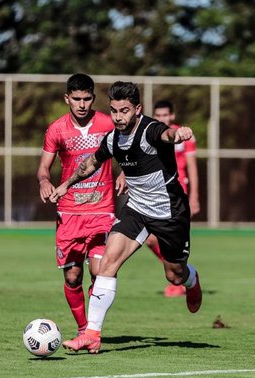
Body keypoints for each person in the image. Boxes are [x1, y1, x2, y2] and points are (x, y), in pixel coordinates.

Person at [50, 81, 203, 354]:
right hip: (136, 210)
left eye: (124, 111)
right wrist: (66, 184)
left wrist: (179, 135)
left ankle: (191, 279)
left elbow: (167, 134)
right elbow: (90, 164)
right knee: (108, 261)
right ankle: (92, 334)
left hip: (169, 213)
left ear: (138, 109)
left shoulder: (151, 130)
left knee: (174, 275)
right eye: (114, 111)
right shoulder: (112, 139)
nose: (119, 117)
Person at [36, 73, 126, 337]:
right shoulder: (57, 129)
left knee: (101, 272)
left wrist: (124, 173)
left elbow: (127, 150)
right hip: (69, 213)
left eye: (87, 99)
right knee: (72, 277)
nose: (82, 104)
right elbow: (43, 167)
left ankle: (92, 332)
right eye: (76, 99)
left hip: (102, 211)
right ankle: (83, 326)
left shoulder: (108, 124)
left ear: (93, 99)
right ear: (67, 99)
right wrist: (44, 181)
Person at [144, 99, 201, 297]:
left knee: (174, 244)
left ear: (172, 116)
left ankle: (180, 280)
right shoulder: (151, 134)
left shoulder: (182, 135)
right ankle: (179, 274)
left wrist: (194, 197)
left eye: (165, 115)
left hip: (178, 197)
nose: (161, 119)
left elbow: (192, 167)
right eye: (158, 116)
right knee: (151, 240)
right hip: (156, 196)